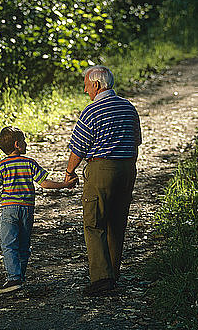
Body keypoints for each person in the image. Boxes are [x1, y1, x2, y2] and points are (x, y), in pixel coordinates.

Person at [64, 65, 141, 296]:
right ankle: (113, 274)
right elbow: (136, 140)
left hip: (102, 168)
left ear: (96, 85)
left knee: (94, 222)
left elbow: (79, 147)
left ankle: (101, 278)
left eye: (86, 85)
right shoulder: (129, 107)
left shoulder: (92, 110)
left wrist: (69, 172)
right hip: (127, 168)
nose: (85, 89)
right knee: (117, 222)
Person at [0, 126, 78, 294]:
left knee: (9, 244)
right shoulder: (29, 163)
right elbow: (44, 183)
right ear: (17, 144)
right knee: (24, 245)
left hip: (9, 210)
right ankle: (20, 277)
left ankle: (13, 278)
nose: (26, 144)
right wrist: (65, 185)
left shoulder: (1, 165)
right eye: (23, 141)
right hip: (27, 210)